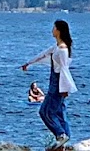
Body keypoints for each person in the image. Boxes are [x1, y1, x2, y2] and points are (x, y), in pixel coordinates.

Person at [21, 19, 77, 150]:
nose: (52, 30)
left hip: (58, 85)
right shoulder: (57, 47)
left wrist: (65, 89)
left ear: (58, 30)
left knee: (45, 112)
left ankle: (61, 135)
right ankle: (64, 141)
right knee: (60, 113)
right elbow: (43, 55)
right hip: (55, 83)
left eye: (54, 28)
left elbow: (64, 69)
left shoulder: (63, 49)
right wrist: (28, 63)